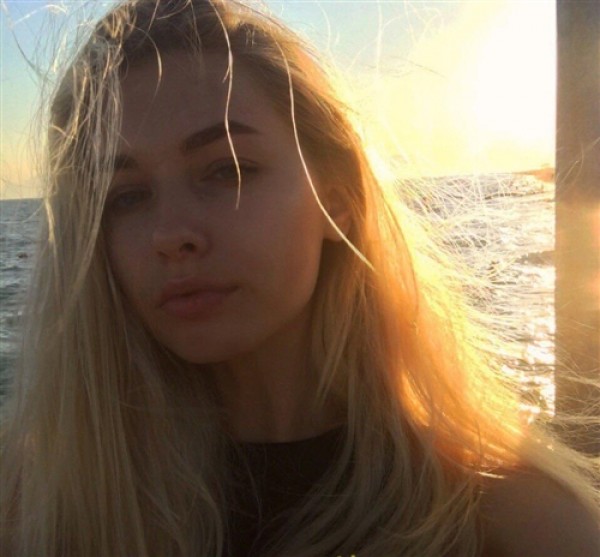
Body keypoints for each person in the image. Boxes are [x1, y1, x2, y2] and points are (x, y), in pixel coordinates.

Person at [1, 1, 598, 556]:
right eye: (124, 197)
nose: (170, 233)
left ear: (337, 201)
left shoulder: (517, 523)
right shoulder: (36, 502)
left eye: (227, 170)